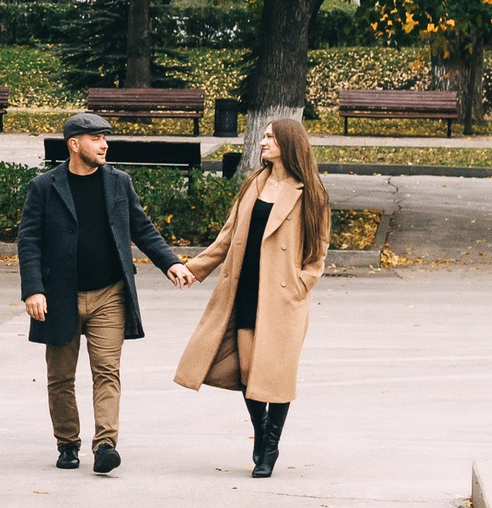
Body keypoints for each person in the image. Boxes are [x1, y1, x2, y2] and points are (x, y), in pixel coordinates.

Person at [18, 112, 194, 475]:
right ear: (74, 144)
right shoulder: (44, 186)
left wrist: (170, 263)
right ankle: (67, 442)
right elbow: (29, 240)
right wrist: (33, 289)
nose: (104, 144)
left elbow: (141, 229)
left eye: (104, 138)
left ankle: (105, 445)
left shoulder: (118, 183)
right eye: (96, 138)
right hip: (59, 295)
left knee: (107, 371)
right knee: (61, 376)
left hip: (109, 293)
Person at [173, 116, 332, 478]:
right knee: (249, 371)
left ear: (289, 145)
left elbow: (319, 251)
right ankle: (261, 432)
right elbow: (227, 237)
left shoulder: (311, 192)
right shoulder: (253, 184)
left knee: (274, 373)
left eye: (271, 137)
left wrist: (301, 284)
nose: (263, 142)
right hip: (246, 287)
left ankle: (270, 446)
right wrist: (194, 269)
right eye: (264, 136)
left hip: (282, 297)